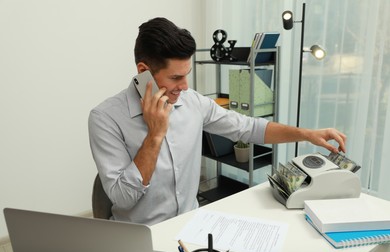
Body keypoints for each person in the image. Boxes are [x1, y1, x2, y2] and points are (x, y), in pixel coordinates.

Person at [88, 17, 346, 225]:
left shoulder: (193, 102)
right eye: (176, 78)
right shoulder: (105, 118)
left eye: (187, 74)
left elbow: (248, 128)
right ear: (144, 71)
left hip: (192, 224)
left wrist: (307, 134)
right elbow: (124, 197)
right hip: (141, 236)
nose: (185, 86)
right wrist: (155, 136)